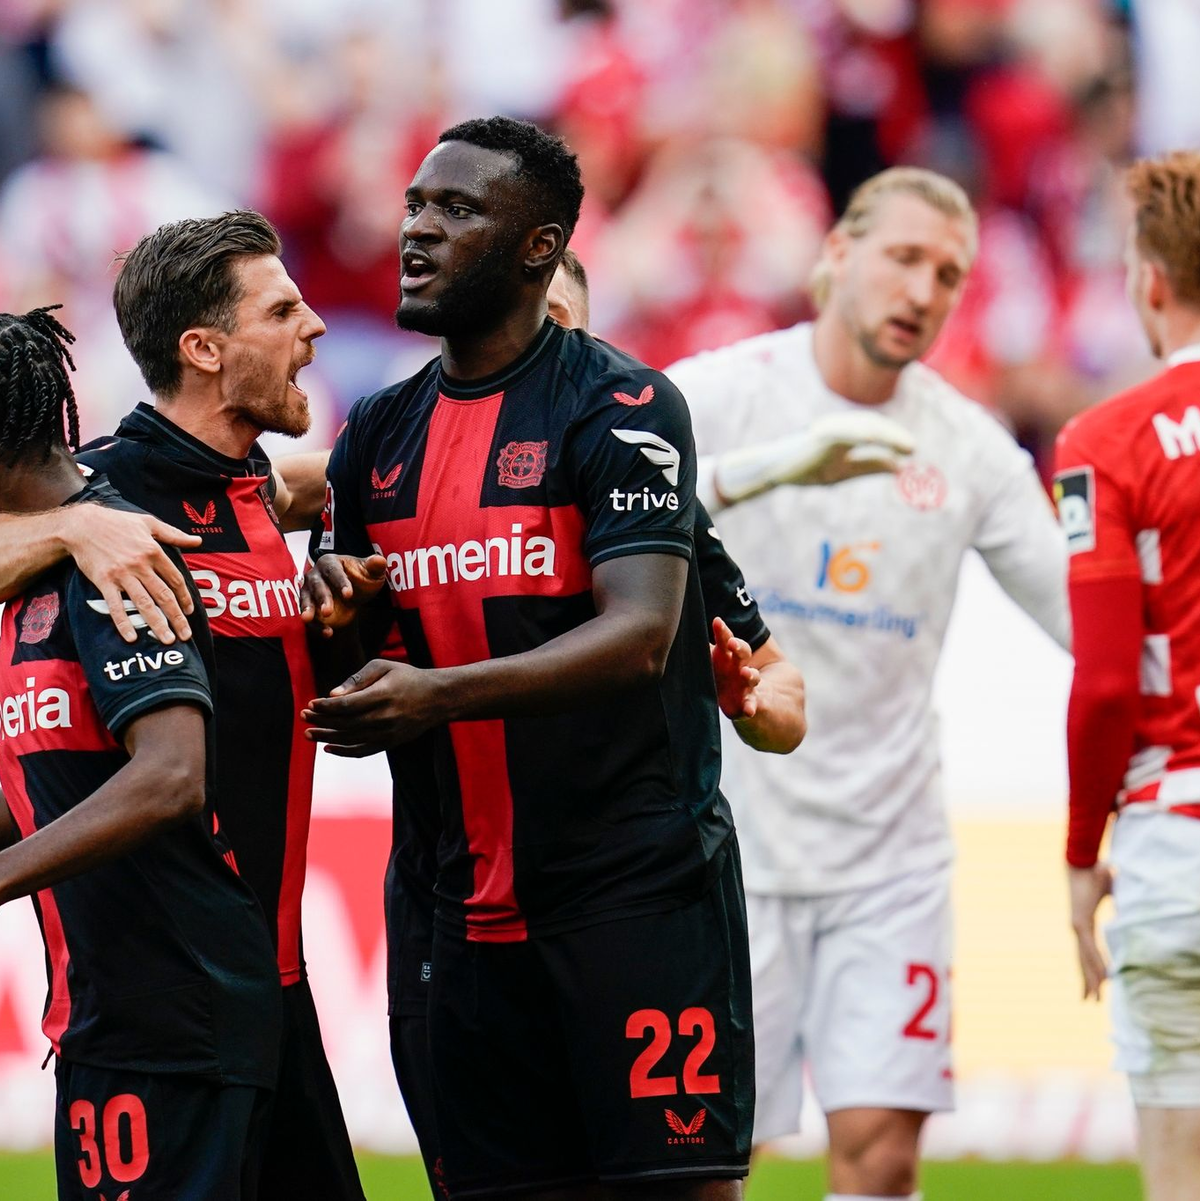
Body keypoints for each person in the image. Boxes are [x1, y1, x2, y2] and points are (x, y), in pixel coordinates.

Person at [302, 115, 753, 1201]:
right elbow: (355, 689)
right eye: (415, 204)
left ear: (538, 248)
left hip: (630, 897)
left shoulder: (625, 404)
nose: (417, 229)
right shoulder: (374, 436)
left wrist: (433, 697)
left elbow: (642, 635)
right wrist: (341, 619)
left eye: (456, 210)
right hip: (449, 917)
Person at [665, 167, 1070, 1201]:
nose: (924, 290)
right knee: (709, 1165)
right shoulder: (720, 392)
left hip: (890, 860)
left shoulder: (972, 450)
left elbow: (1083, 613)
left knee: (882, 1162)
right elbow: (593, 506)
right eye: (902, 257)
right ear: (836, 256)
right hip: (724, 850)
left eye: (949, 274)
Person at [0, 212, 366, 1201]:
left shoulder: (257, 489)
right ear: (203, 348)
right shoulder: (108, 513)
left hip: (258, 1001)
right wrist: (68, 524)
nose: (317, 327)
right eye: (282, 308)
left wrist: (348, 611)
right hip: (162, 1004)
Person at [0, 306, 280, 1200]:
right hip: (109, 1015)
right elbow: (45, 775)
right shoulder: (42, 566)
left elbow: (169, 776)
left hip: (176, 1012)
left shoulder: (117, 559)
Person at [1054, 149, 1200, 1201]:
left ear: (1150, 279)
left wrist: (1077, 854)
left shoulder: (1099, 442)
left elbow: (1105, 683)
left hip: (1174, 849)